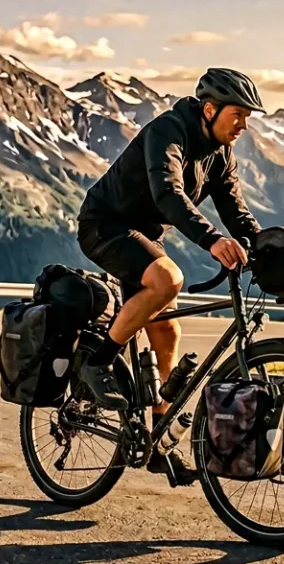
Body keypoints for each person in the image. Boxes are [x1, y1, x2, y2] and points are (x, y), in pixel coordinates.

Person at [74, 67, 266, 485]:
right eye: (238, 114)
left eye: (248, 117)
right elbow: (167, 193)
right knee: (168, 280)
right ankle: (98, 362)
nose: (244, 125)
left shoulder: (220, 154)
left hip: (141, 235)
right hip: (104, 225)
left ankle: (158, 442)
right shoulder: (169, 131)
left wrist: (265, 244)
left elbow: (235, 210)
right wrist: (213, 240)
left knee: (168, 334)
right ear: (210, 108)